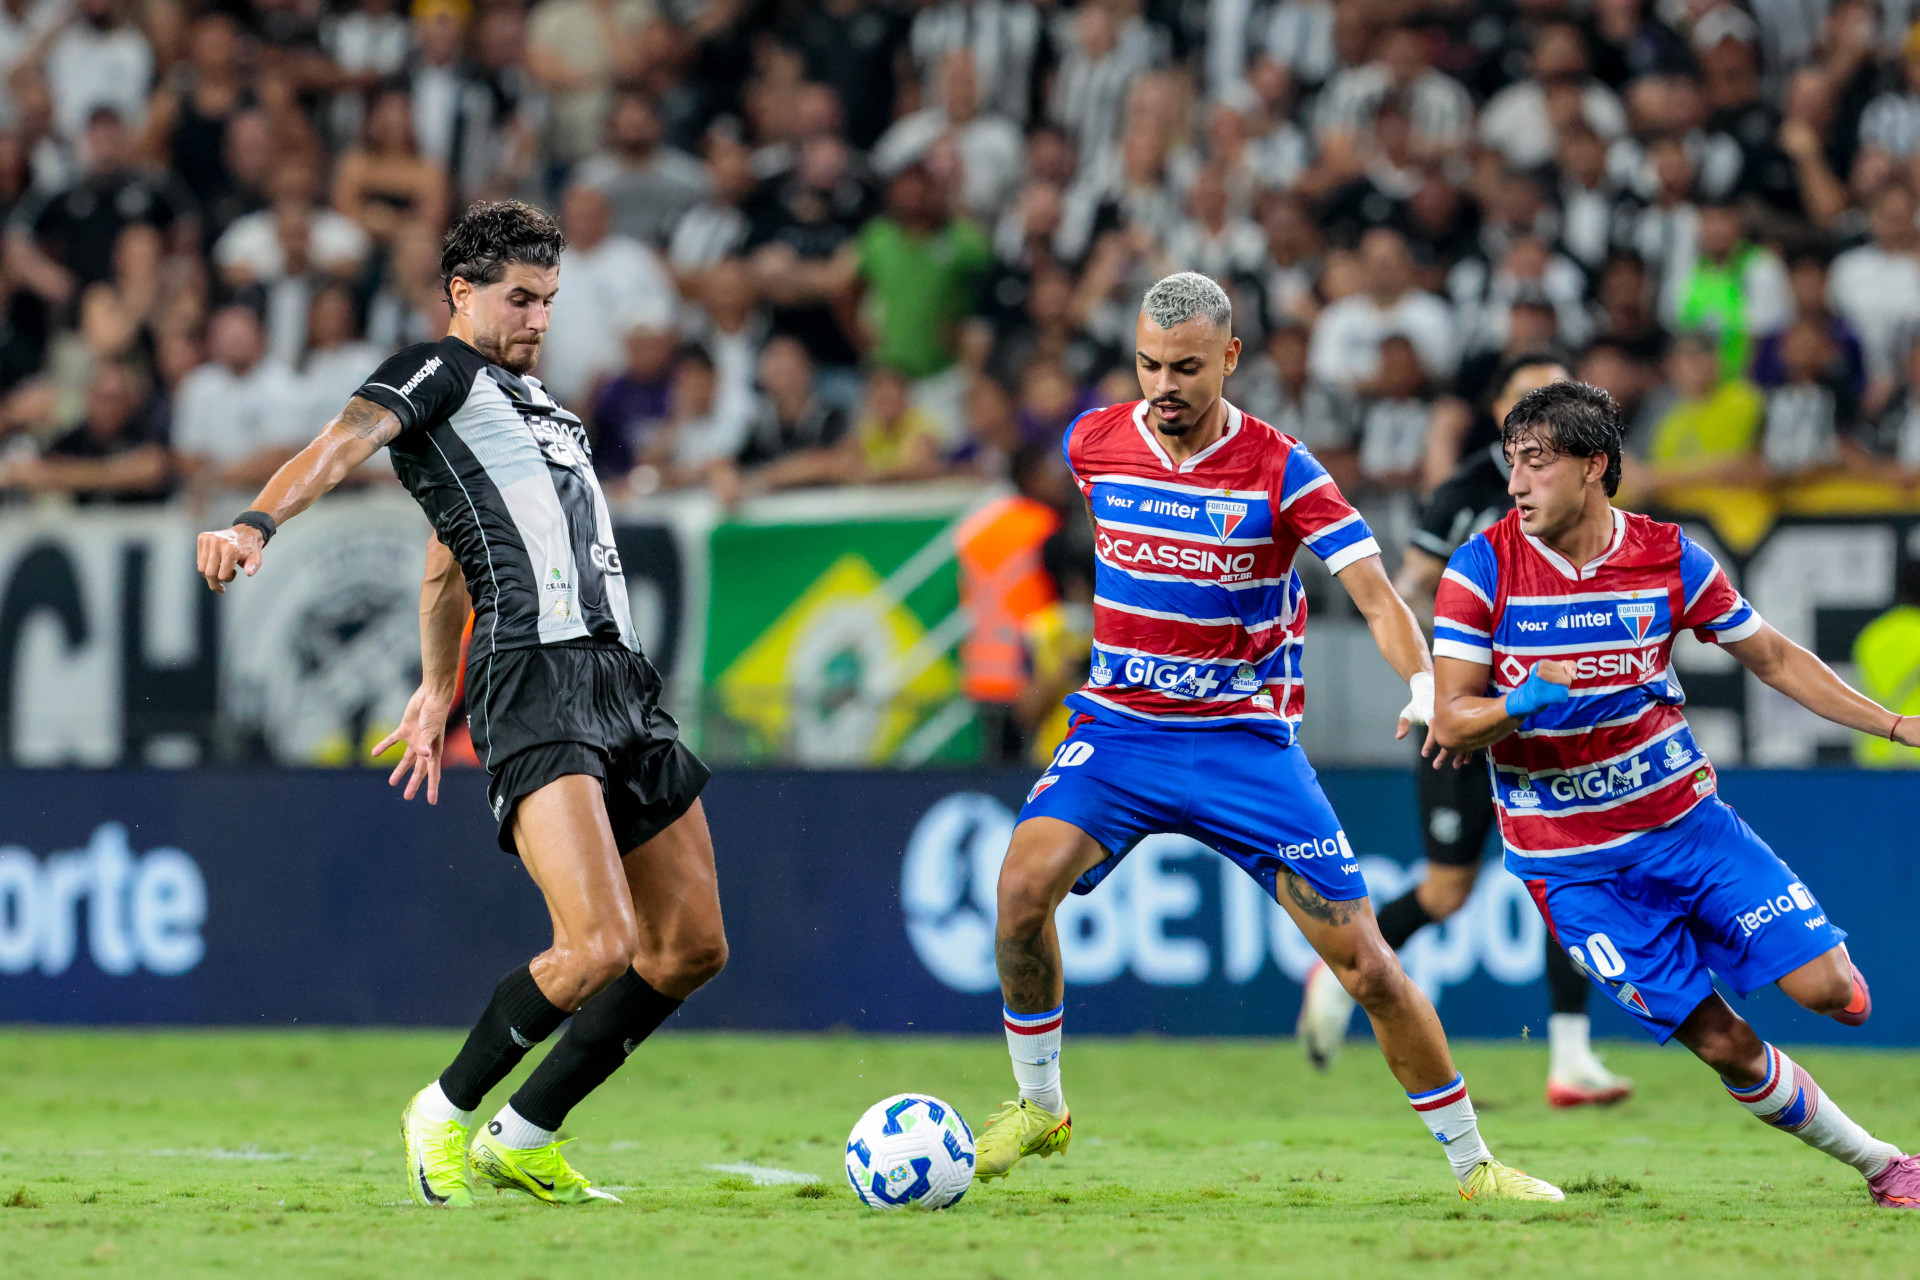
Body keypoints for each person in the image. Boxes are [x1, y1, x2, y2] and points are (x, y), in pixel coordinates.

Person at [974, 271, 1562, 1203]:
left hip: (1243, 748)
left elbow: (1375, 593)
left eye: (1187, 368)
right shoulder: (1094, 444)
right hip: (1120, 733)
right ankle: (1039, 1104)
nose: (1164, 386)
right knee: (1019, 890)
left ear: (1231, 359)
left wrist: (1425, 684)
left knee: (1367, 966)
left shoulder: (1284, 468)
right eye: (1149, 365)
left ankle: (1474, 1166)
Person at [193, 200, 727, 1209]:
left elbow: (446, 563)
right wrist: (259, 519)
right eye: (518, 298)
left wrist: (438, 684)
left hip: (621, 680)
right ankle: (443, 1109)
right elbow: (340, 442)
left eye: (549, 300)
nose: (536, 318)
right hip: (535, 678)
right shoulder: (439, 371)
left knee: (693, 942)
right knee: (598, 944)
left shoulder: (541, 408)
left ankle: (524, 1133)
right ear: (461, 293)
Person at [1429, 379, 1920, 1210]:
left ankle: (1817, 970)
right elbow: (1452, 718)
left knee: (1834, 999)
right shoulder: (1481, 569)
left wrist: (1897, 725)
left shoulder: (1668, 555)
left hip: (1689, 829)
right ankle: (1887, 1165)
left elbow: (1773, 657)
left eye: (1537, 464)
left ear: (1595, 466)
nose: (1516, 484)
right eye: (1512, 463)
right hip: (1575, 869)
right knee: (1726, 1044)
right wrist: (1521, 702)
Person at [1297, 353, 1635, 1108]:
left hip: (1546, 720)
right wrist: (1444, 674)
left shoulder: (1581, 485)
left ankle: (1571, 1058)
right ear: (1499, 415)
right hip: (1471, 715)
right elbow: (1409, 585)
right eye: (1529, 399)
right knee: (1448, 892)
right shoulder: (1468, 492)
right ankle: (1339, 968)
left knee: (1574, 871)